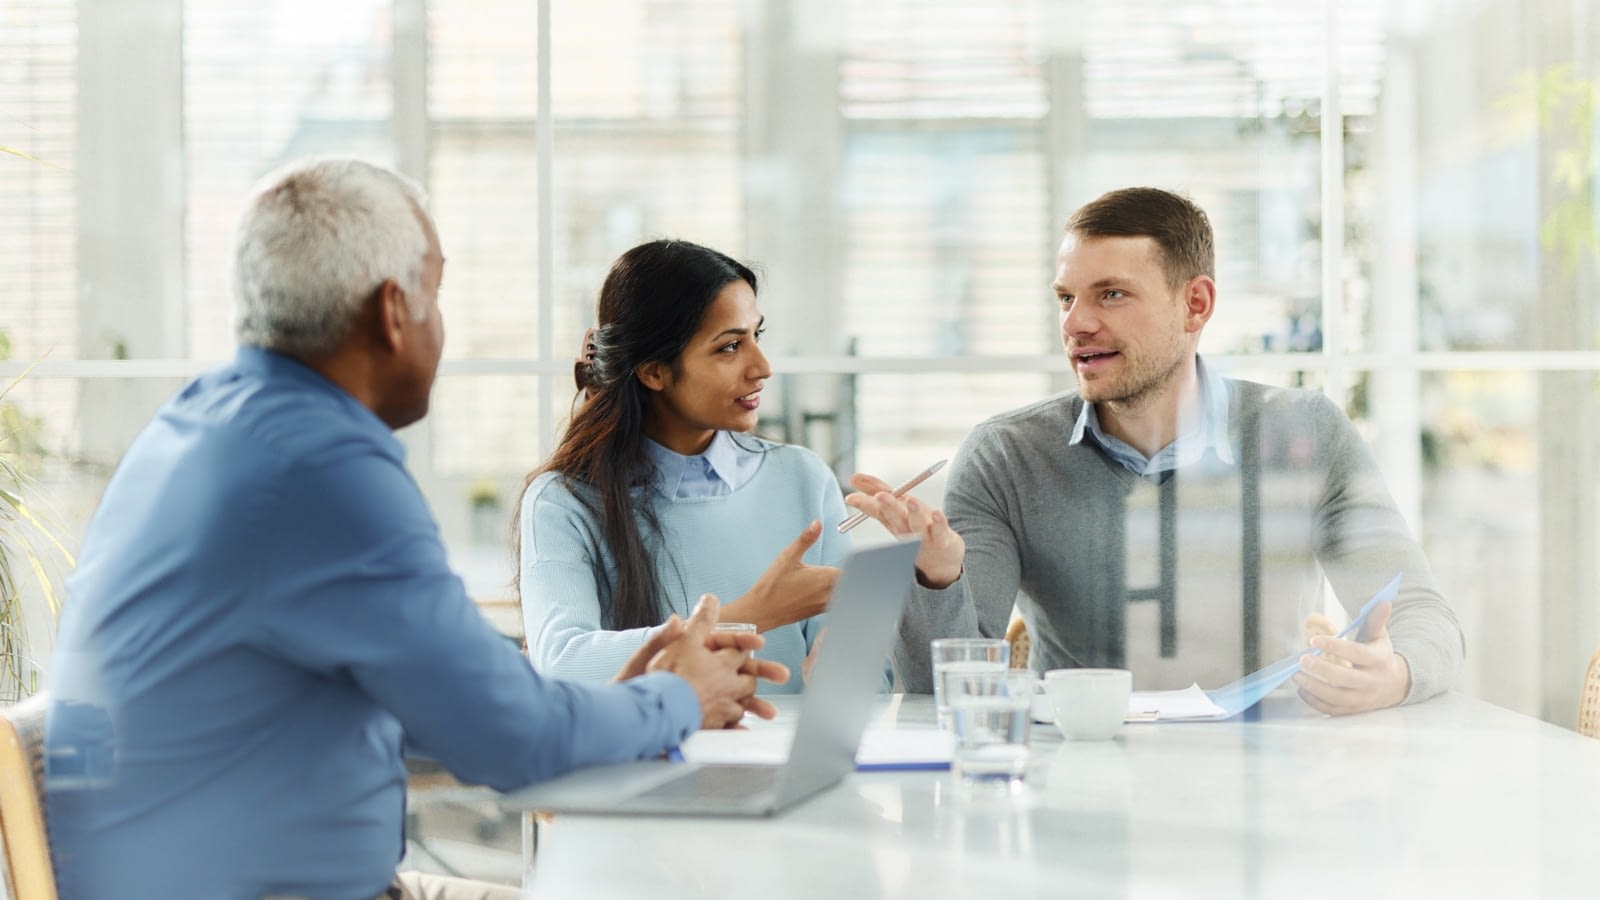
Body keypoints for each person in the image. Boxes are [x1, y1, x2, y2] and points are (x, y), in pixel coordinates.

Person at [43, 159, 787, 900]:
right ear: (393, 312)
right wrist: (678, 699)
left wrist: (626, 705)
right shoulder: (321, 471)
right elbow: (515, 742)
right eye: (436, 293)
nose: (441, 322)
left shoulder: (206, 425)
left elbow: (450, 705)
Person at [859, 186, 1463, 716]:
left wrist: (1396, 674)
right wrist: (934, 576)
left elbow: (1424, 617)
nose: (1075, 324)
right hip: (1075, 782)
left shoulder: (1306, 433)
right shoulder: (1007, 456)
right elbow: (936, 696)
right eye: (1066, 298)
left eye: (1111, 295)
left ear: (1195, 304)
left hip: (1267, 778)